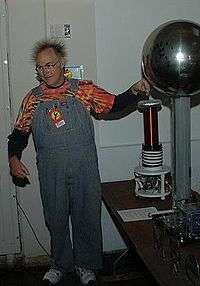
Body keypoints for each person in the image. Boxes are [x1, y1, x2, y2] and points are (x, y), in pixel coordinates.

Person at [7, 39, 150, 285]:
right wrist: (13, 157)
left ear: (62, 63)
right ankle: (60, 264)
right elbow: (19, 133)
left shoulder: (83, 89)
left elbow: (114, 104)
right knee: (56, 217)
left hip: (84, 167)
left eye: (50, 65)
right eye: (41, 67)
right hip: (51, 170)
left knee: (87, 216)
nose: (46, 71)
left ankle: (86, 266)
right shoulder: (33, 99)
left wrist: (135, 90)